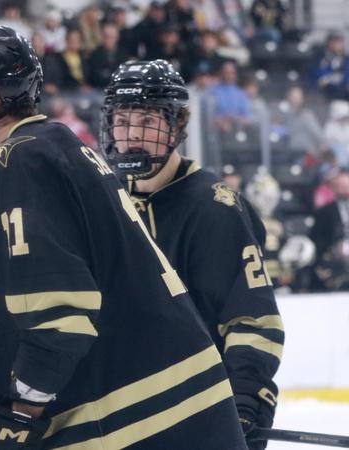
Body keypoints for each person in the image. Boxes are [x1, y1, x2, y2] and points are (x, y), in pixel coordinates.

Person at [0, 24, 246, 449]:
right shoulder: (56, 147)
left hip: (137, 420)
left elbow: (59, 320)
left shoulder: (16, 163)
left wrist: (17, 411)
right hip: (178, 408)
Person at [100, 59, 285, 450]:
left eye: (147, 121)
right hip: (119, 420)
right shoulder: (102, 202)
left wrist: (246, 399)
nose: (132, 135)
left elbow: (252, 319)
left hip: (198, 413)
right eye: (122, 120)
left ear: (178, 123)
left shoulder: (215, 208)